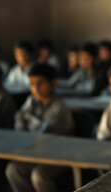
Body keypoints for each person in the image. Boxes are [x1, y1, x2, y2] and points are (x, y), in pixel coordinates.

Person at [6, 63, 74, 192]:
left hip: (59, 154)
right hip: (35, 152)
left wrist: (30, 123)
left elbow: (44, 135)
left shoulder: (60, 107)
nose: (35, 88)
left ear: (54, 82)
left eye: (40, 83)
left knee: (39, 175)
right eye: (31, 84)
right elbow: (19, 120)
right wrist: (32, 125)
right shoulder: (32, 100)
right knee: (13, 169)